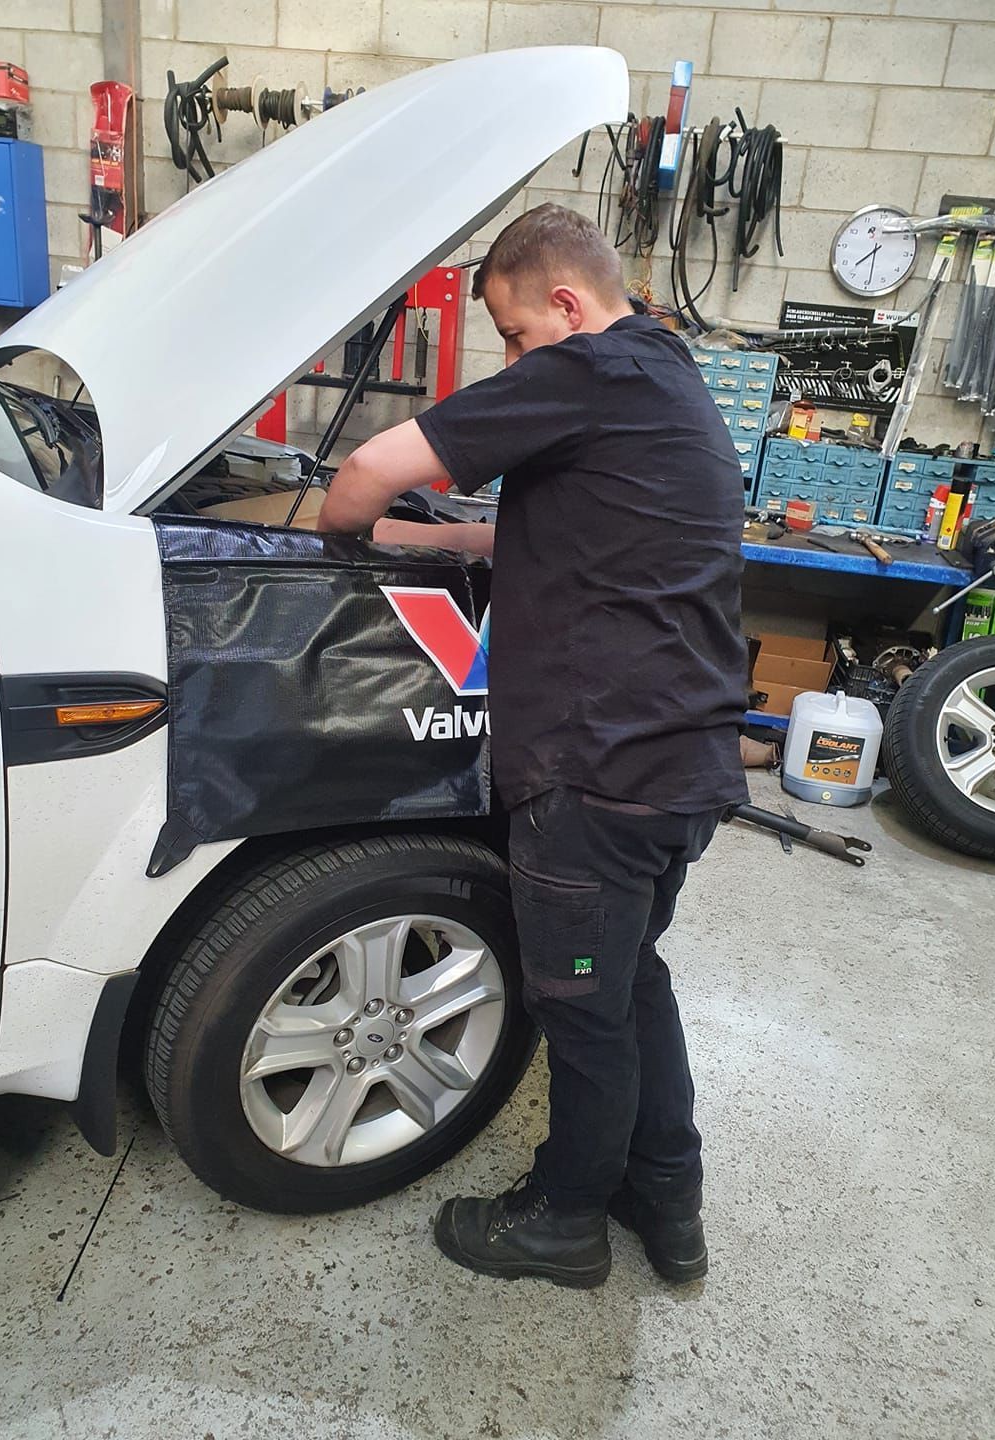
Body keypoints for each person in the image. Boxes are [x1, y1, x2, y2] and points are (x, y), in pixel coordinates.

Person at [317, 203, 749, 1289]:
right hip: (680, 765)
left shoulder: (590, 367)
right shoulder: (667, 377)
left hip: (599, 772)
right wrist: (433, 536)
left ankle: (563, 1221)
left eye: (511, 333)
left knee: (583, 1007)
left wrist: (336, 532)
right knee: (632, 977)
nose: (509, 361)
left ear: (564, 303)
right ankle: (669, 1201)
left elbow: (366, 470)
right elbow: (542, 530)